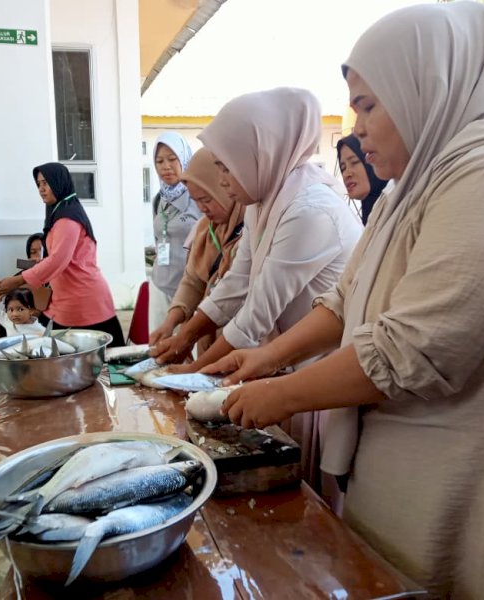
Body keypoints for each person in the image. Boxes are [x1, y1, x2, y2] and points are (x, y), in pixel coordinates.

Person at [205, 3, 484, 597]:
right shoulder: (412, 186)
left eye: (368, 105)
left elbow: (411, 351)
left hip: (467, 474)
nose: (355, 125)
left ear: (424, 87)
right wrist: (262, 359)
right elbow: (344, 299)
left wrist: (275, 395)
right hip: (400, 460)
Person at [152, 88, 362, 488]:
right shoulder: (263, 203)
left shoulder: (309, 210)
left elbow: (256, 312)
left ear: (259, 156)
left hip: (318, 374)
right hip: (281, 365)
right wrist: (186, 338)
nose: (224, 182)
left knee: (305, 493)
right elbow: (234, 285)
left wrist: (195, 369)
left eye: (226, 168)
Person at [0, 163, 125, 347]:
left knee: (107, 366)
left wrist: (15, 281)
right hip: (63, 301)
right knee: (59, 360)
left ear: (58, 182)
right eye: (38, 184)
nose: (41, 189)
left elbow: (57, 261)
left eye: (46, 183)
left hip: (84, 300)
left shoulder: (67, 218)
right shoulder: (58, 213)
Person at [148, 148, 244, 354]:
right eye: (196, 201)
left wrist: (185, 337)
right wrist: (170, 323)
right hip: (208, 341)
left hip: (240, 346)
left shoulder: (251, 233)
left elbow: (233, 294)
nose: (201, 208)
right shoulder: (204, 229)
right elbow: (192, 281)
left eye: (206, 200)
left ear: (225, 190)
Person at [149, 132, 201, 331]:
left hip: (190, 288)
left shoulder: (198, 197)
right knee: (158, 347)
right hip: (160, 285)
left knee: (187, 350)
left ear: (184, 159)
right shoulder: (158, 199)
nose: (166, 166)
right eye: (159, 161)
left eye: (172, 159)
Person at [336, 134, 388, 225]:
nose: (346, 174)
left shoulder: (396, 216)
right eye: (343, 168)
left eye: (354, 162)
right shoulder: (370, 219)